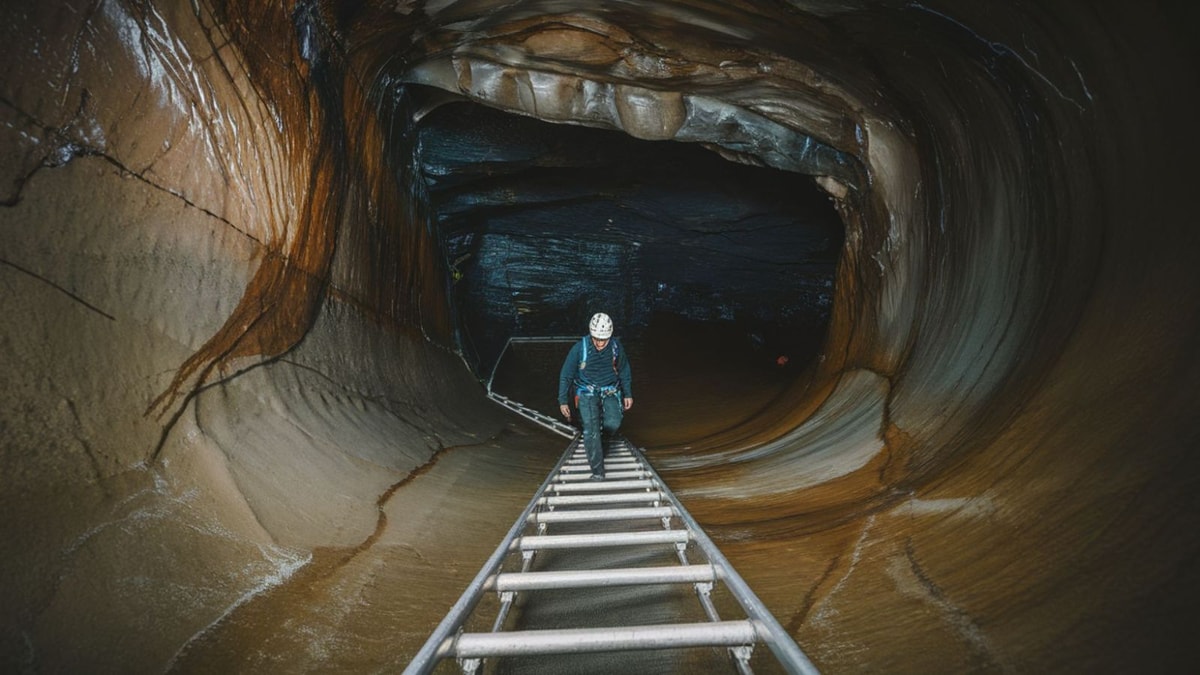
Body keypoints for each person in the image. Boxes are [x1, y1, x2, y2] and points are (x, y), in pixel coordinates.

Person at [558, 312, 633, 480]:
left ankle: (602, 443)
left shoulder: (616, 347)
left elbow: (624, 370)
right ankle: (598, 472)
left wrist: (628, 393)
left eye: (603, 340)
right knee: (591, 430)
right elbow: (566, 375)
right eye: (596, 339)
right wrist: (563, 400)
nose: (600, 343)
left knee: (613, 423)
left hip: (609, 390)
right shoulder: (579, 348)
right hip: (586, 392)